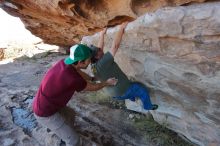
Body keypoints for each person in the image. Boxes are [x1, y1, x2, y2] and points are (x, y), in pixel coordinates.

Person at [32, 44, 117, 146]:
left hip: (46, 102)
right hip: (45, 112)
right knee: (74, 141)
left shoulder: (64, 63)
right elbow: (92, 88)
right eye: (89, 59)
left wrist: (92, 78)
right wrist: (106, 83)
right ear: (81, 62)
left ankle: (65, 132)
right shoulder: (72, 79)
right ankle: (67, 137)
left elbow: (79, 71)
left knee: (70, 115)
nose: (90, 62)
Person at [89, 22, 158, 111]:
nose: (100, 49)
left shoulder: (93, 64)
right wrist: (121, 29)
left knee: (129, 88)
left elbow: (100, 48)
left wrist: (102, 34)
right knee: (141, 89)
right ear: (96, 56)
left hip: (113, 94)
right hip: (122, 91)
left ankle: (132, 97)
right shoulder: (104, 61)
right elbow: (115, 46)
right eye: (98, 51)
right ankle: (147, 106)